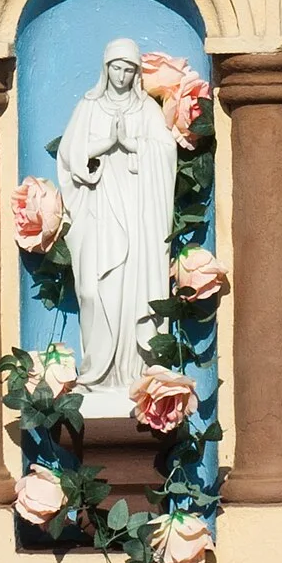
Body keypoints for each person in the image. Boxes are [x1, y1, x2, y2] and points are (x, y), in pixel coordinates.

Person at [55, 38, 179, 414]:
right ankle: (97, 372)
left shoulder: (146, 110)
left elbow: (166, 153)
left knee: (132, 295)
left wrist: (134, 144)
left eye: (129, 69)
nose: (122, 76)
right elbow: (69, 155)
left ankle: (132, 373)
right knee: (93, 293)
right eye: (116, 68)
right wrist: (103, 144)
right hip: (98, 214)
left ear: (137, 73)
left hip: (137, 216)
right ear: (105, 69)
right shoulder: (89, 107)